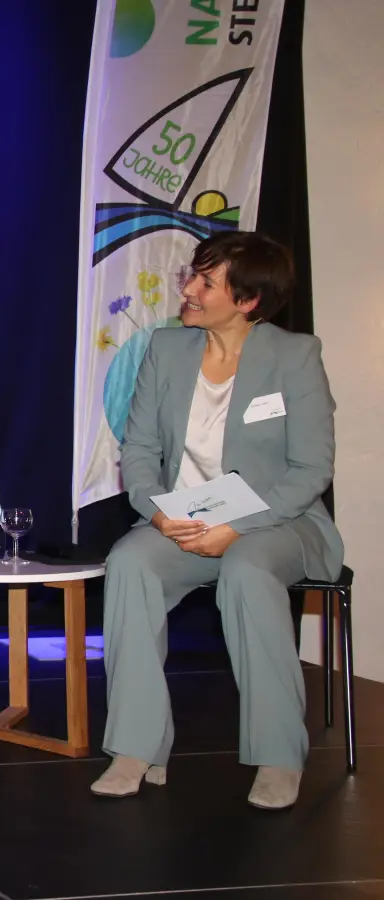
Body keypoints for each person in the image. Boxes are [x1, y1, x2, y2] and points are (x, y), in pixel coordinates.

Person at [95, 231, 343, 810]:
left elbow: (311, 470)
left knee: (248, 570)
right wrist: (158, 515)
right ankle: (136, 748)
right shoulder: (166, 349)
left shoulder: (295, 355)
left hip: (279, 521)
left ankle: (279, 756)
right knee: (129, 562)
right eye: (193, 275)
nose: (188, 288)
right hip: (185, 520)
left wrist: (237, 526)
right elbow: (138, 452)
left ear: (247, 300)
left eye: (207, 281)